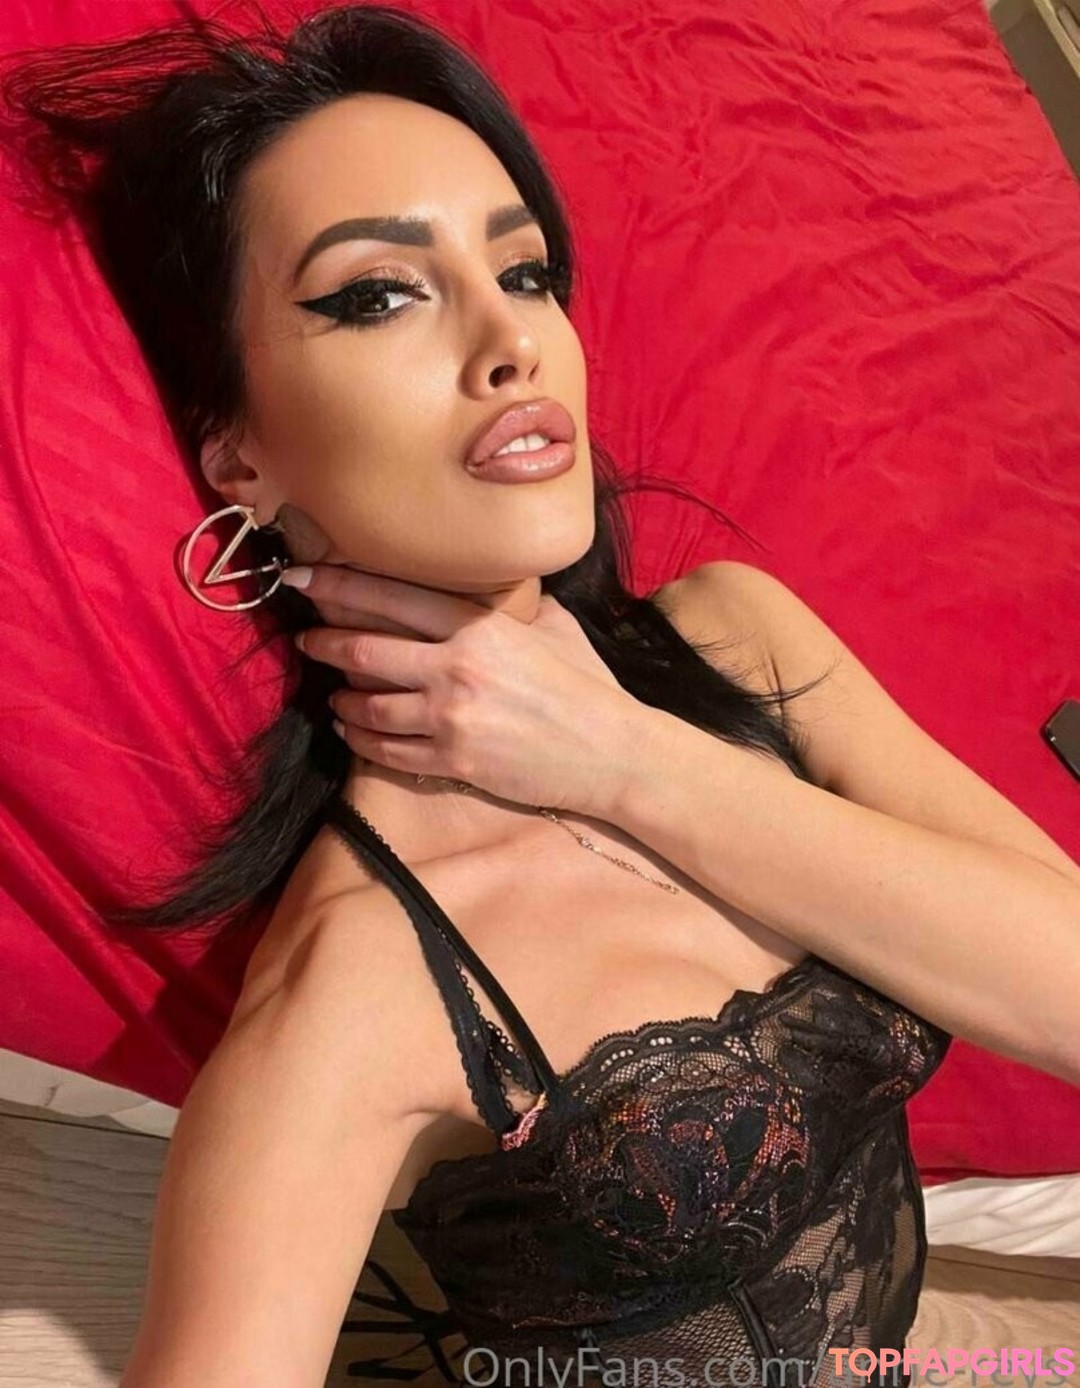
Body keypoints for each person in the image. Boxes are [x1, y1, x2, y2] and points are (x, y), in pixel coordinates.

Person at [3, 5, 1079, 1386]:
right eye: (378, 294)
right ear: (238, 460)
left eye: (524, 271)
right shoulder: (356, 988)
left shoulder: (737, 638)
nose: (511, 339)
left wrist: (623, 758)